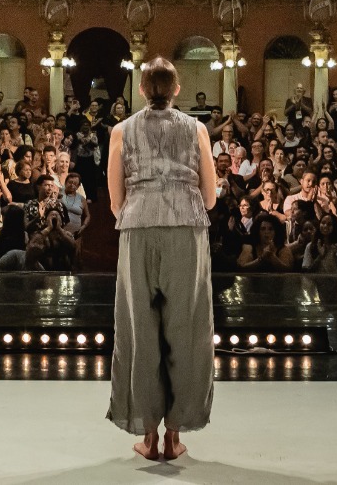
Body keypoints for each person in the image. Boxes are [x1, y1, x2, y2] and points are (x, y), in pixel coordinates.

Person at [106, 57, 216, 463]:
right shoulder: (197, 129)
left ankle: (148, 437)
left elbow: (115, 199)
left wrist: (142, 207)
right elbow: (211, 197)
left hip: (137, 228)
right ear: (177, 90)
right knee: (187, 330)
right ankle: (174, 436)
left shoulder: (121, 130)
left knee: (139, 330)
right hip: (186, 228)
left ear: (140, 90)